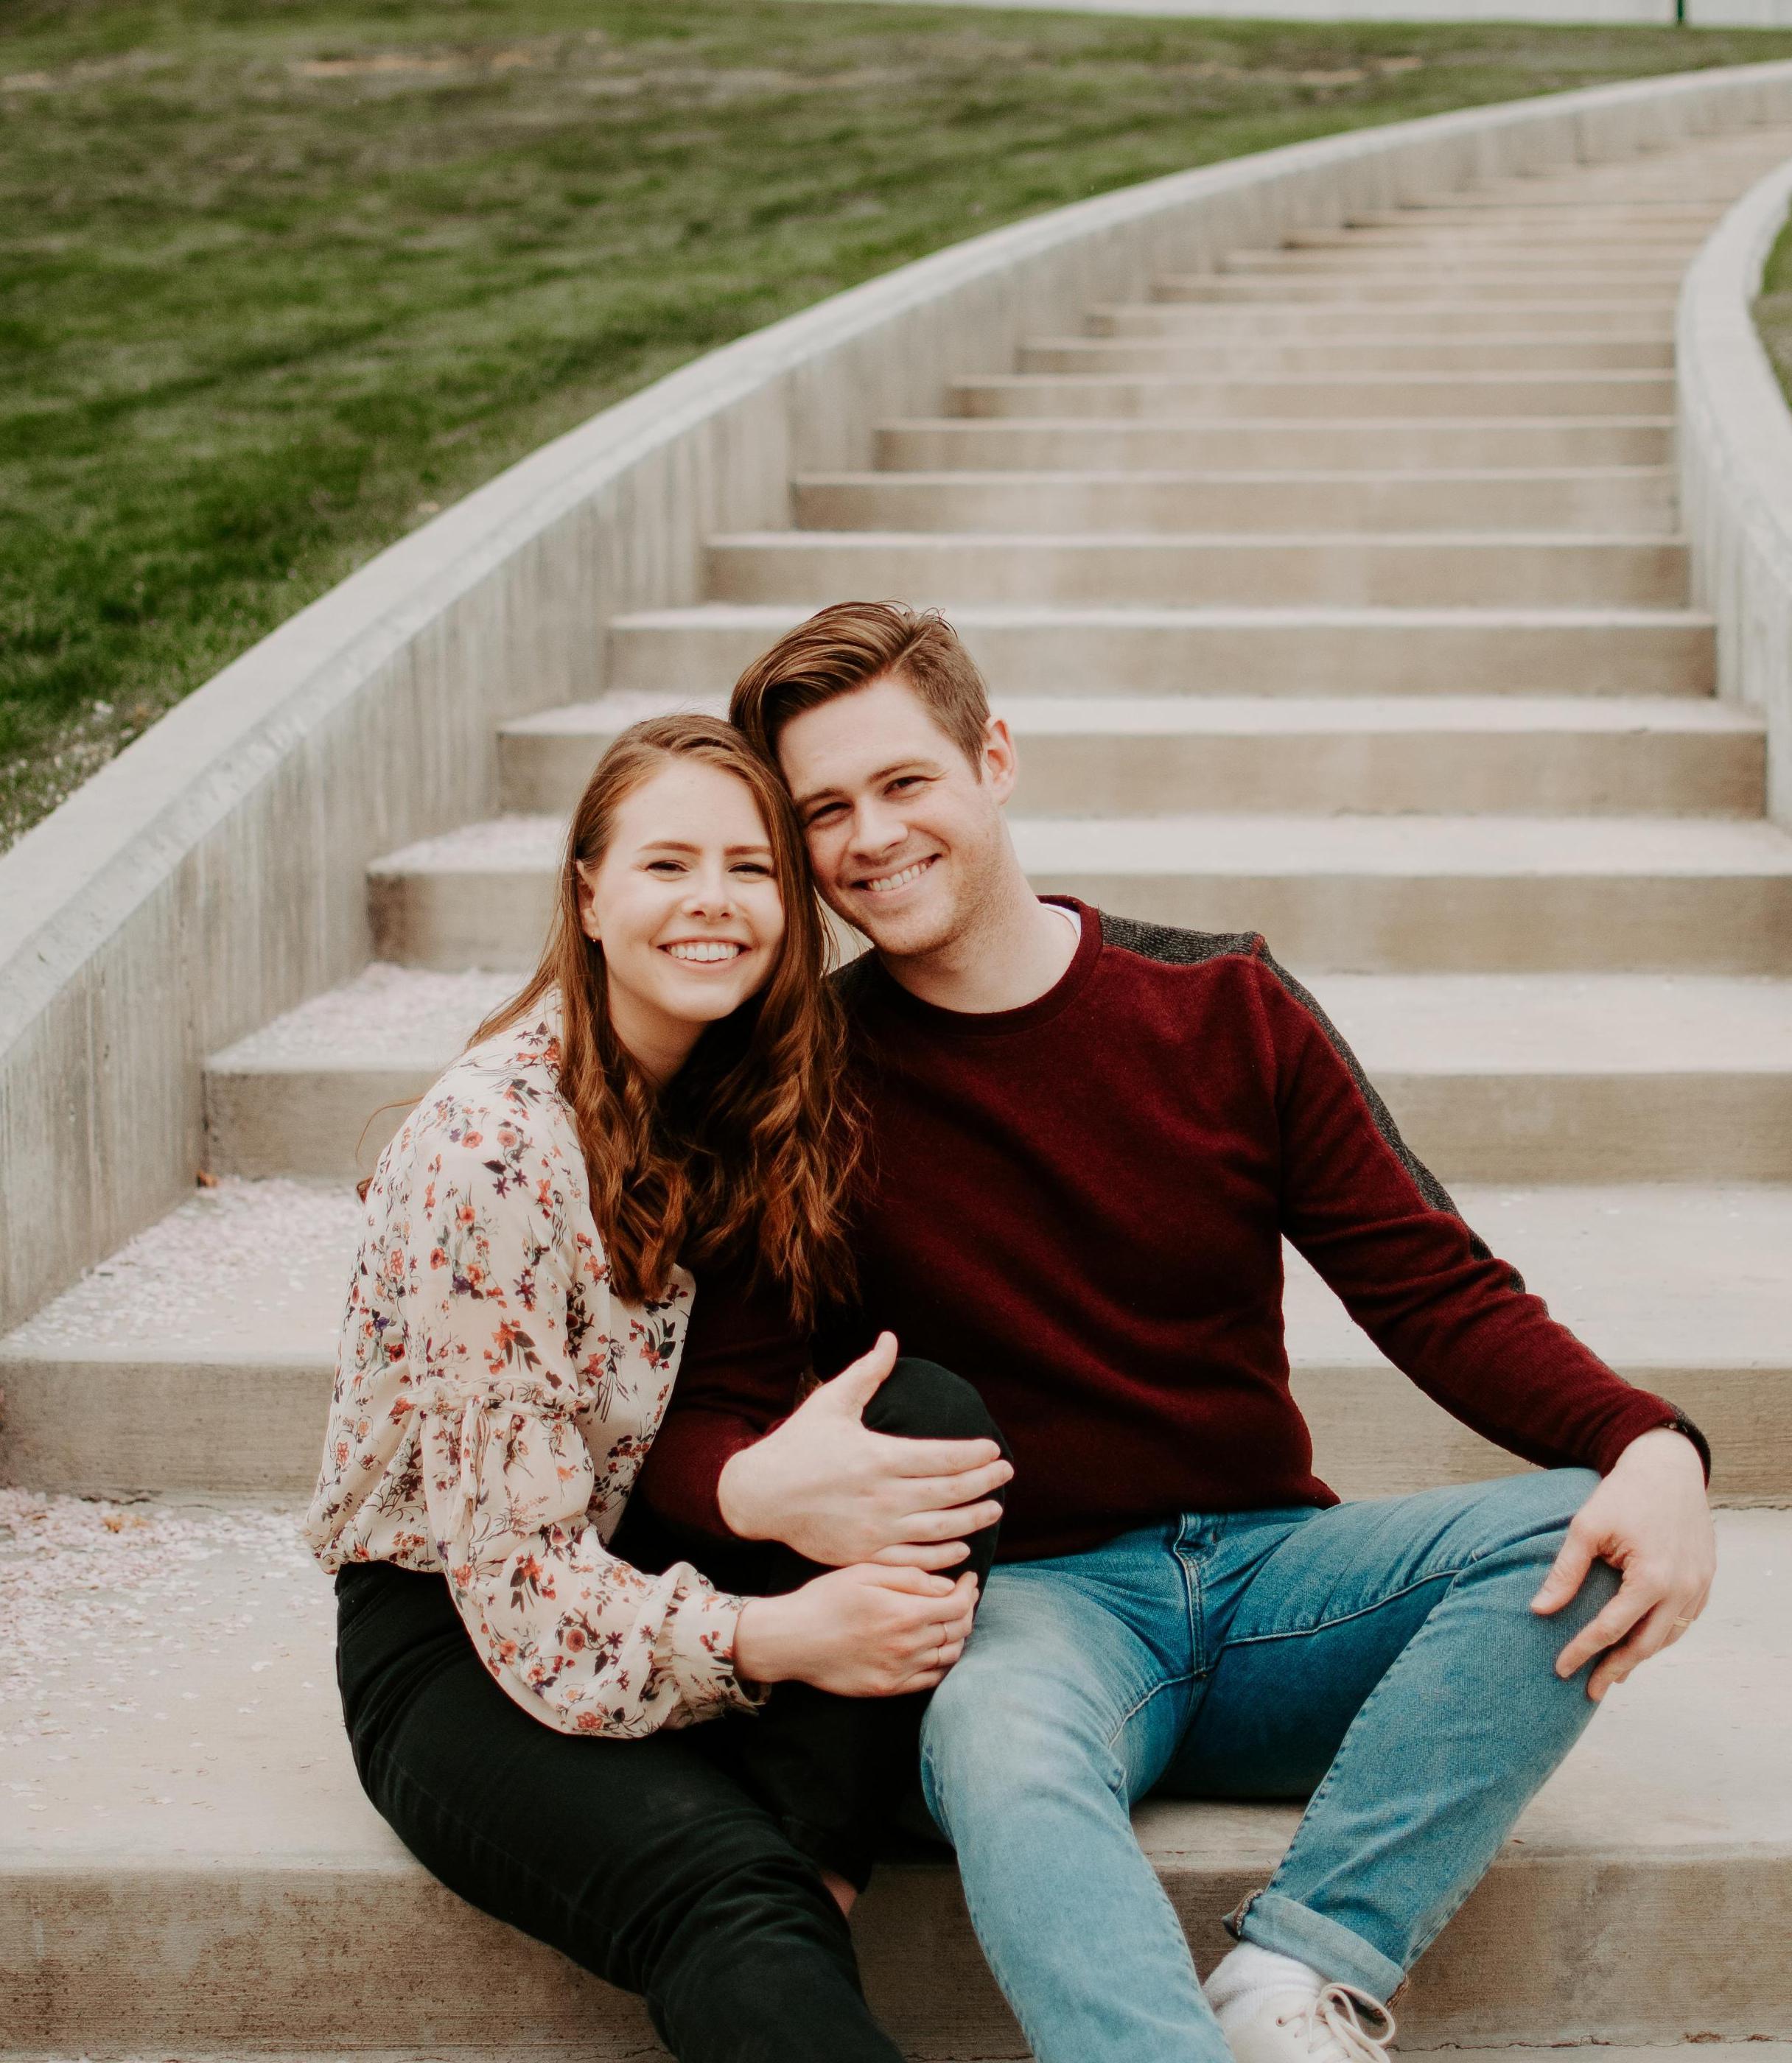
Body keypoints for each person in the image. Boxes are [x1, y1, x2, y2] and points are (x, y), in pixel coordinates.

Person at [630, 604, 1719, 2063]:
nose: (869, 836)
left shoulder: (1223, 1005)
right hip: (1031, 1607)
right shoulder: (799, 1081)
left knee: (1563, 1536)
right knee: (997, 1748)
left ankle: (1298, 1967)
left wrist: (1645, 1437)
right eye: (823, 809)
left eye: (902, 782)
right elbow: (701, 1409)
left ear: (992, 756)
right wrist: (749, 1485)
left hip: (1273, 1580)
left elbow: (1428, 1284)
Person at [303, 712, 1014, 2063]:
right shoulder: (492, 1149)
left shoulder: (738, 1096)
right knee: (724, 1903)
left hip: (635, 1555)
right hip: (454, 1631)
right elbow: (513, 1581)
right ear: (587, 893)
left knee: (920, 1421)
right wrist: (782, 1640)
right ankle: (764, 1900)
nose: (713, 903)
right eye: (667, 864)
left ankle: (809, 1871)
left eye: (750, 868)